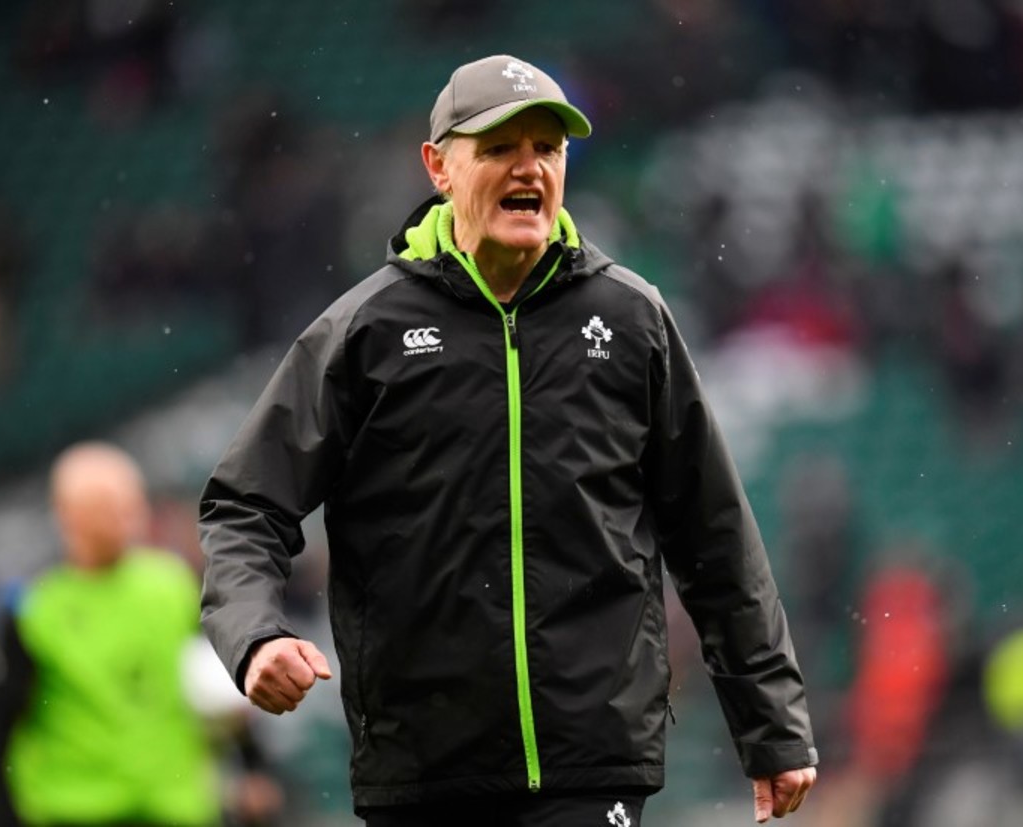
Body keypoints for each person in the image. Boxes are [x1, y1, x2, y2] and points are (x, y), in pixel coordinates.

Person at [198, 53, 818, 826]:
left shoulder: (631, 321)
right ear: (439, 167)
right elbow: (245, 505)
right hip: (424, 772)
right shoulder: (364, 333)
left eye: (547, 148)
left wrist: (772, 724)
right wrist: (255, 636)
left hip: (592, 764)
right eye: (499, 147)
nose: (530, 168)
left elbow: (713, 535)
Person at [0, 441, 221, 826]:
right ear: (66, 514)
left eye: (128, 502)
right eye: (104, 505)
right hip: (74, 812)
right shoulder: (35, 609)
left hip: (175, 807)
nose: (123, 517)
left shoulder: (174, 586)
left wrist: (253, 763)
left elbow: (218, 687)